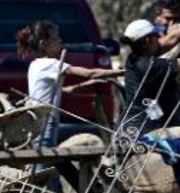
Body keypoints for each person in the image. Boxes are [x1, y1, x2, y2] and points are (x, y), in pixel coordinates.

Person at [16, 20, 119, 148]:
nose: (60, 41)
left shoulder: (35, 64)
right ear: (44, 44)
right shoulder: (50, 64)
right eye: (56, 38)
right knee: (43, 159)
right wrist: (120, 72)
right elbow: (88, 73)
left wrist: (90, 84)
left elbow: (65, 91)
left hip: (37, 120)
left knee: (41, 156)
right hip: (46, 120)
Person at [120, 18, 180, 134]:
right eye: (156, 36)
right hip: (143, 131)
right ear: (148, 40)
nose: (159, 38)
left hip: (128, 128)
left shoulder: (134, 58)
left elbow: (171, 39)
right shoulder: (151, 66)